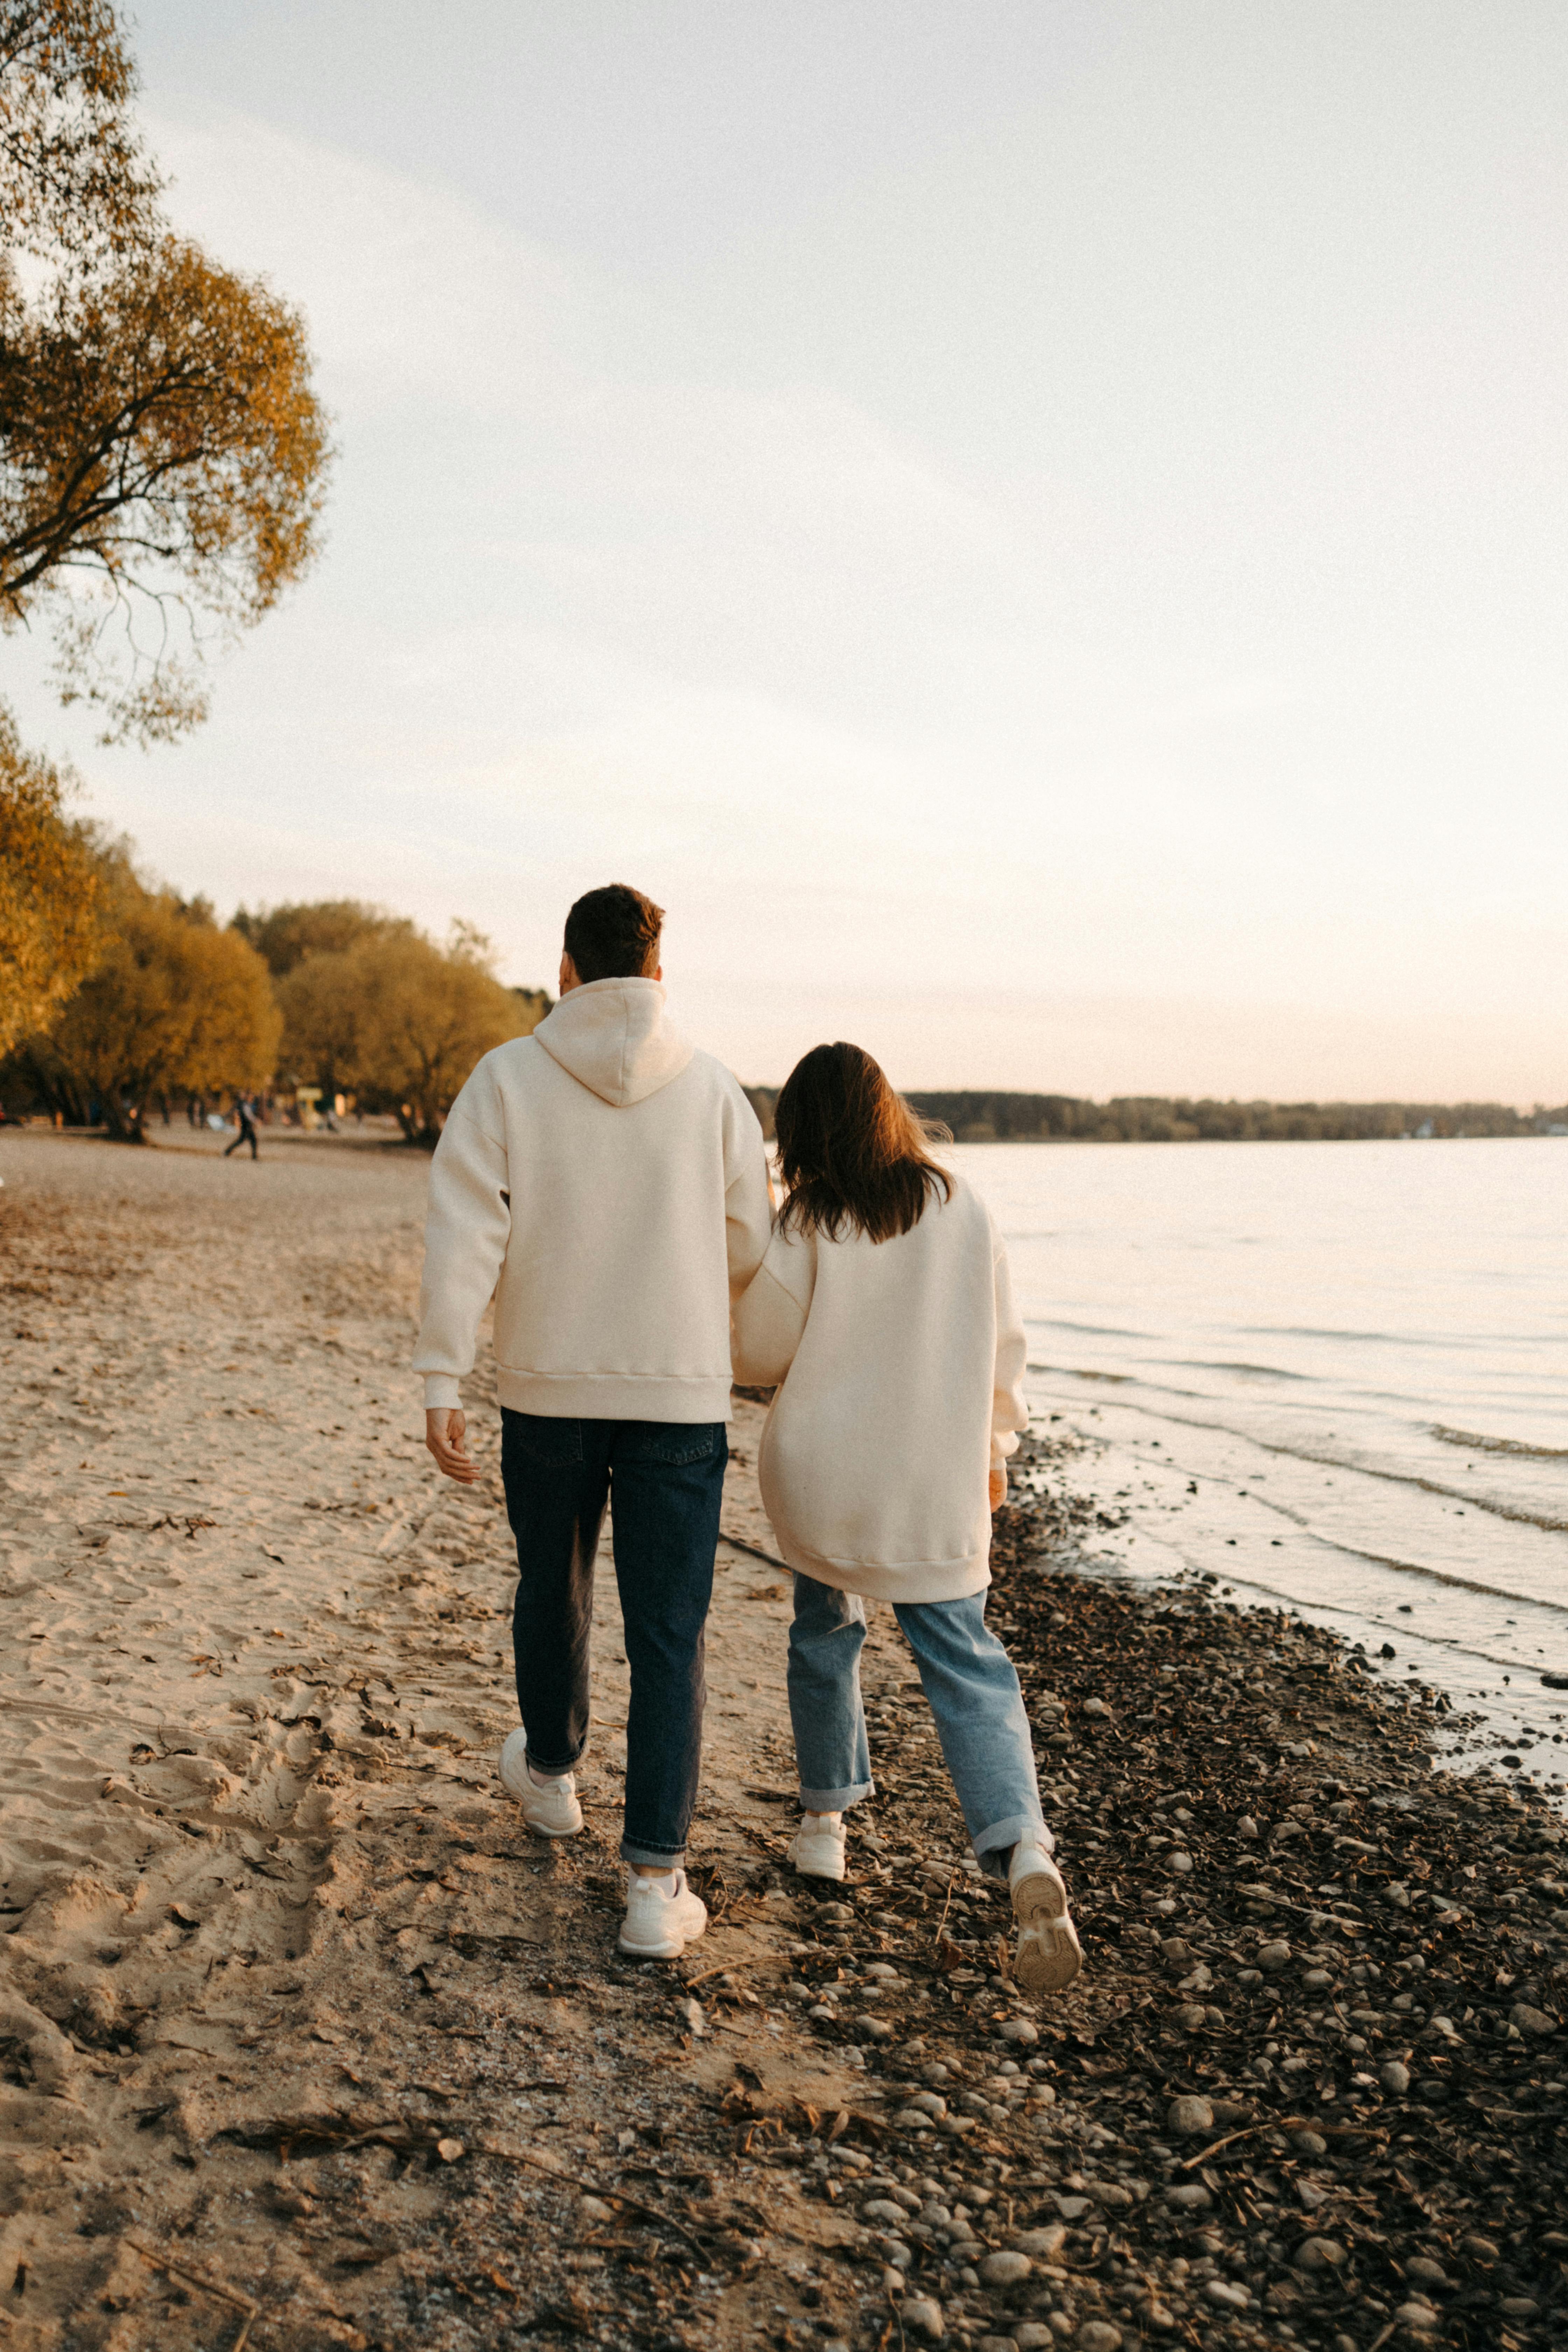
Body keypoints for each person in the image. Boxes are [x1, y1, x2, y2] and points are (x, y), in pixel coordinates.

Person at [415, 884, 772, 1959]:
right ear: (658, 973)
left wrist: (442, 1373)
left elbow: (461, 1226)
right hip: (675, 1394)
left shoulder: (508, 1077)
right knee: (669, 1634)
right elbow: (748, 1241)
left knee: (552, 1583)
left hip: (547, 1388)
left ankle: (555, 1772)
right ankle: (655, 1886)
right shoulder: (713, 1090)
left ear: (564, 970)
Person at [730, 1042, 1081, 1993]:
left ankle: (823, 1827)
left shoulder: (808, 1220)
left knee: (825, 1632)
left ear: (802, 1135)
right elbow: (1007, 1352)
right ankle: (1021, 1847)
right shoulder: (964, 1207)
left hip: (831, 1480)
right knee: (967, 1664)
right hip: (934, 1483)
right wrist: (996, 1457)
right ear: (889, 1113)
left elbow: (757, 1352)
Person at [224, 1093, 259, 1160]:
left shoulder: (245, 1105)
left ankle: (227, 1152)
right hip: (247, 1126)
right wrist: (256, 1121)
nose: (252, 1100)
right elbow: (249, 1116)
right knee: (250, 1140)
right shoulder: (245, 1106)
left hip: (246, 1126)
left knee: (246, 1140)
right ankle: (227, 1152)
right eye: (251, 1098)